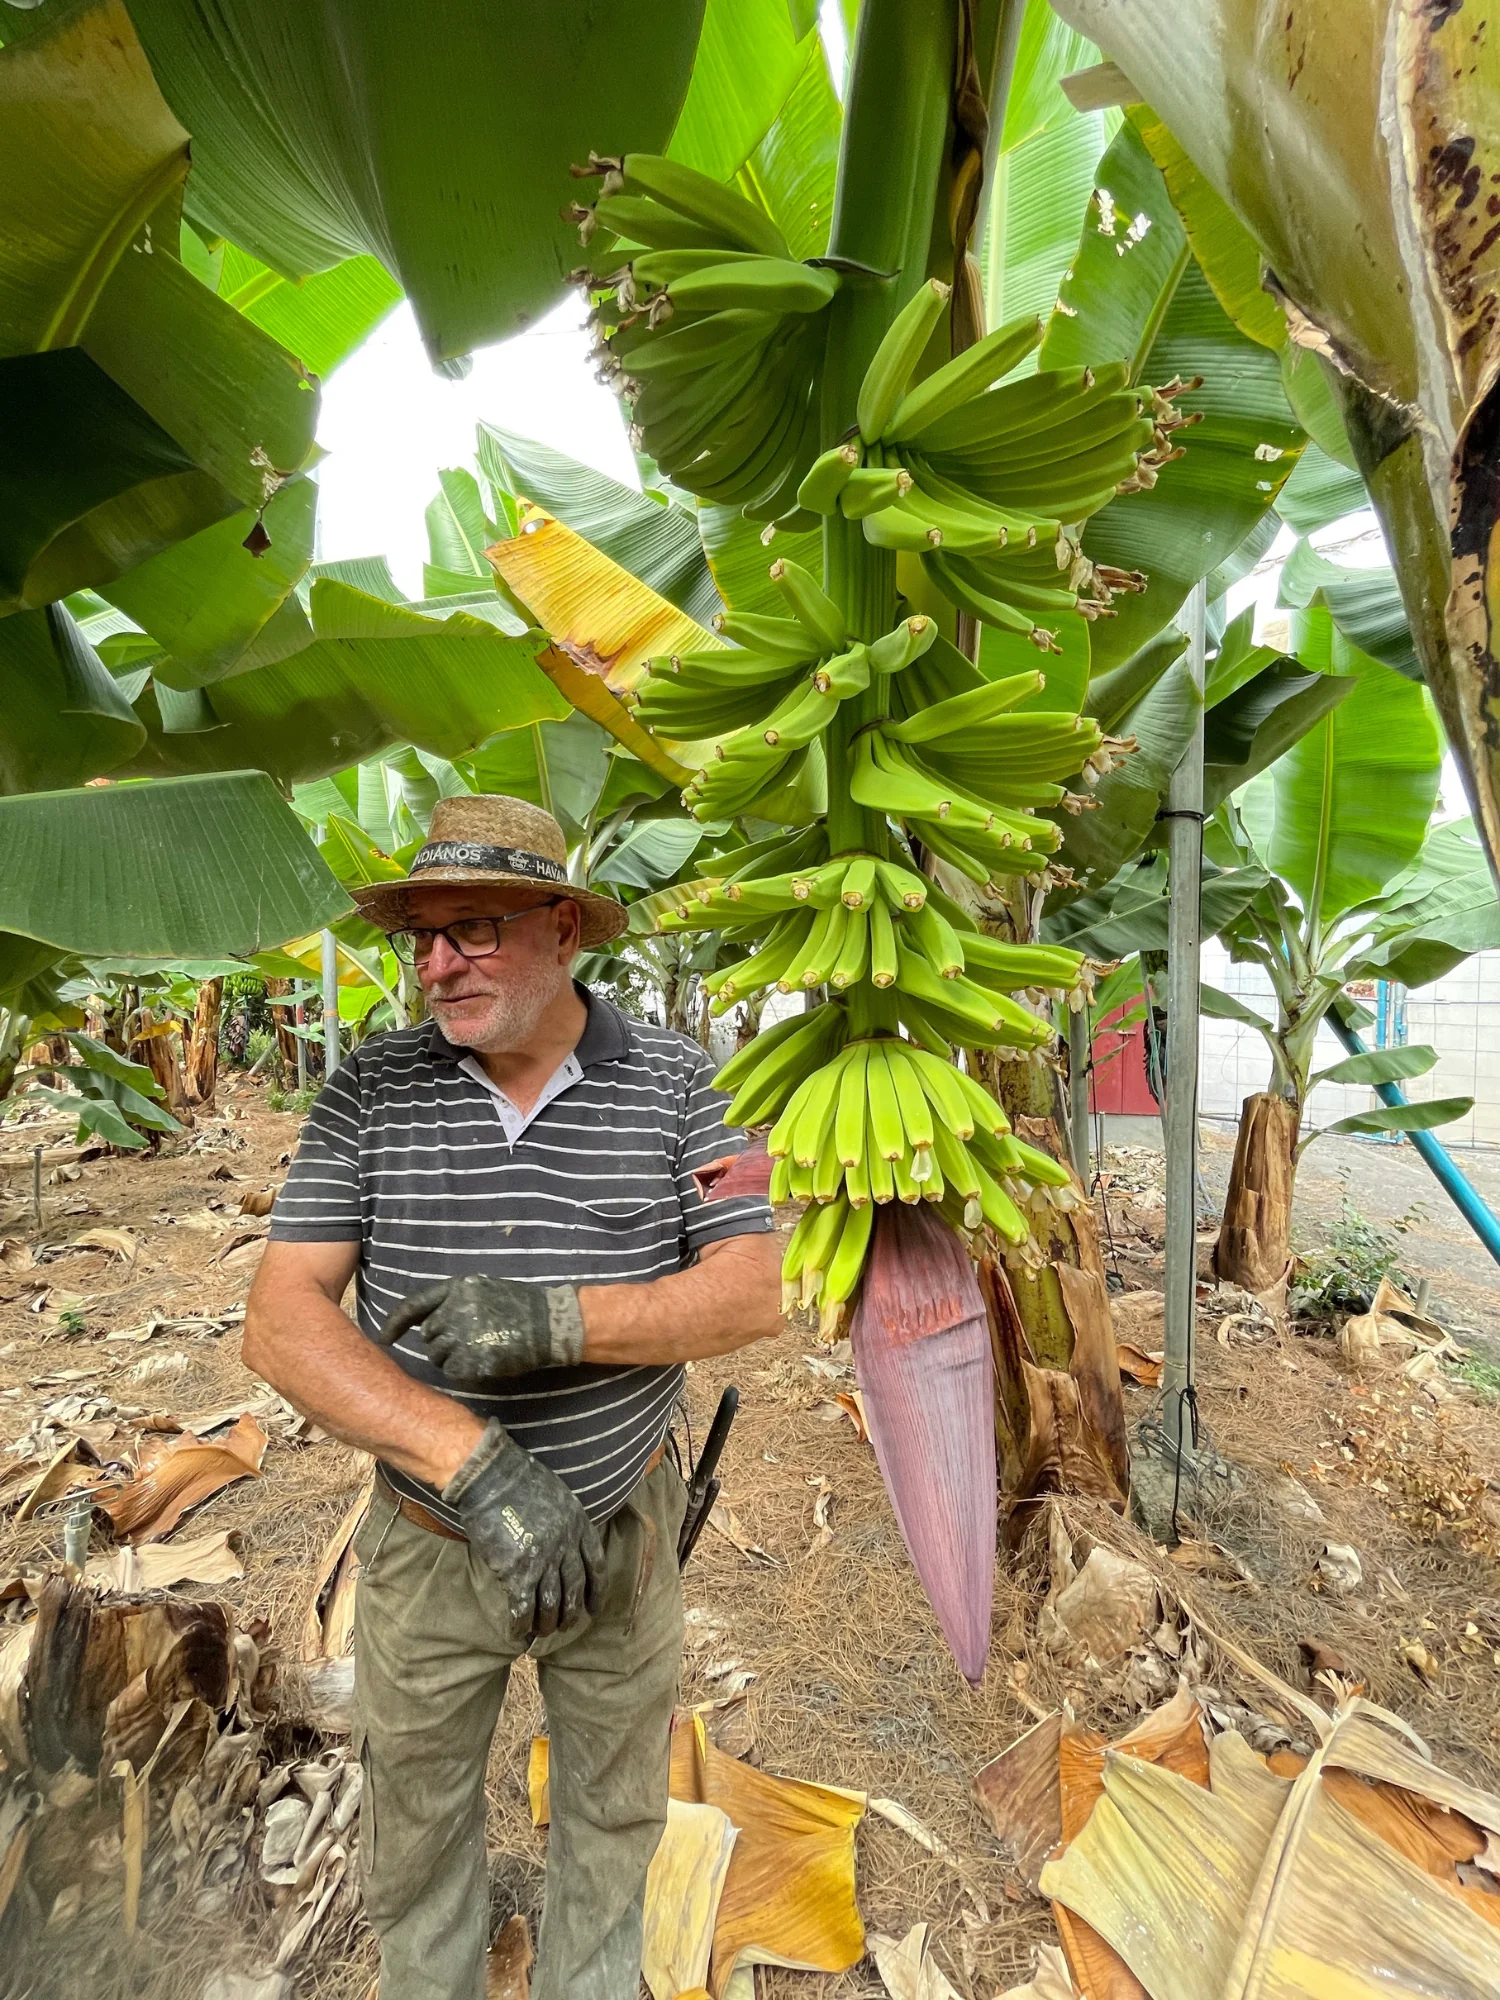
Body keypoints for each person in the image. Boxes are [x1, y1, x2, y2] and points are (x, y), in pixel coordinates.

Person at [243, 793, 781, 2000]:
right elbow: (278, 1322)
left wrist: (559, 1319)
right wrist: (474, 1463)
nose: (438, 964)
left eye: (474, 928)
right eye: (421, 937)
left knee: (611, 1813)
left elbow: (756, 1289)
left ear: (562, 929)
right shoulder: (367, 1089)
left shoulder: (690, 1085)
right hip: (432, 1542)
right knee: (418, 1834)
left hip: (622, 1531)